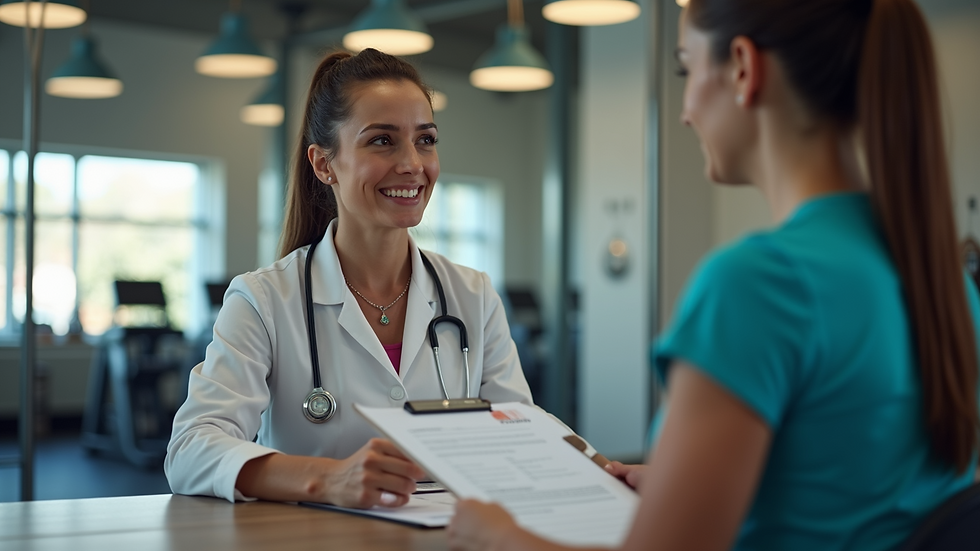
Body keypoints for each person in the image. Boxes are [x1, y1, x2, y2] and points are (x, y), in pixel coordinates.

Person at [448, 1, 980, 550]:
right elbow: (856, 485)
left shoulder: (760, 285)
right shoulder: (943, 283)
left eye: (686, 68)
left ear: (744, 69)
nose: (685, 112)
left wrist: (500, 536)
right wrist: (692, 487)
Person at [165, 48, 533, 508]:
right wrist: (328, 479)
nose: (412, 163)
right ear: (323, 164)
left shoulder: (472, 295)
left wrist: (597, 467)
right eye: (382, 141)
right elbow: (191, 449)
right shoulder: (263, 299)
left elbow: (521, 434)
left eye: (425, 139)